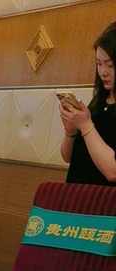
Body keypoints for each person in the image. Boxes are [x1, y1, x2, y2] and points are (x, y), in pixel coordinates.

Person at [60, 22, 116, 185]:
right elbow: (67, 157)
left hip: (102, 199)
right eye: (99, 63)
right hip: (76, 194)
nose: (103, 72)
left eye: (110, 65)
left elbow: (113, 172)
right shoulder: (98, 101)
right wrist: (70, 132)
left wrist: (86, 125)